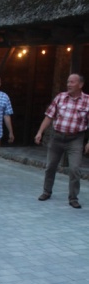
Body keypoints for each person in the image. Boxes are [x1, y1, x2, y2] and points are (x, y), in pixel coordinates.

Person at [35, 74, 89, 209]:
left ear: (80, 85)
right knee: (50, 166)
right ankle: (46, 192)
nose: (68, 84)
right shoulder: (60, 97)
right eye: (68, 82)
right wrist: (40, 132)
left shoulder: (87, 101)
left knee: (75, 169)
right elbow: (49, 116)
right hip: (57, 137)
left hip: (75, 139)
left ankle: (73, 198)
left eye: (72, 82)